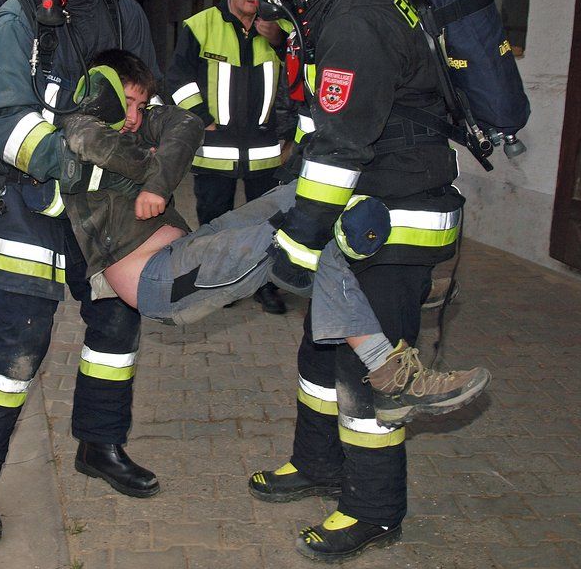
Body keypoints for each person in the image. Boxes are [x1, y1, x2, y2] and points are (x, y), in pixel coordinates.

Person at [235, 0, 486, 562]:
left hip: (394, 222)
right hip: (364, 216)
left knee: (369, 373)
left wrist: (297, 240)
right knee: (323, 348)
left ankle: (374, 510)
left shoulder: (357, 13)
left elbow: (341, 146)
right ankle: (316, 465)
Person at [60, 50, 487, 424]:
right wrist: (155, 165)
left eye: (141, 105)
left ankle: (388, 283)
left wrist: (157, 177)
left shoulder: (131, 125)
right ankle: (391, 375)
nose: (135, 116)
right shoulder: (81, 129)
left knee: (304, 196)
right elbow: (128, 156)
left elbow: (186, 123)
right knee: (299, 235)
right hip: (159, 281)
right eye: (126, 103)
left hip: (187, 249)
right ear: (99, 93)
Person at [0, 0, 161, 545]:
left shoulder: (128, 17)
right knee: (20, 340)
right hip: (27, 201)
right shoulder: (19, 15)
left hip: (102, 208)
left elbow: (147, 104)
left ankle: (100, 444)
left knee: (117, 325)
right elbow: (0, 110)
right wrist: (63, 160)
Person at [166, 0, 291, 315]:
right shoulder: (200, 25)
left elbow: (302, 79)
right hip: (215, 150)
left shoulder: (281, 28)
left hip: (265, 150)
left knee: (267, 222)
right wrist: (200, 117)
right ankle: (221, 283)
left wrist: (279, 41)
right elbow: (177, 78)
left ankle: (265, 284)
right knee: (215, 221)